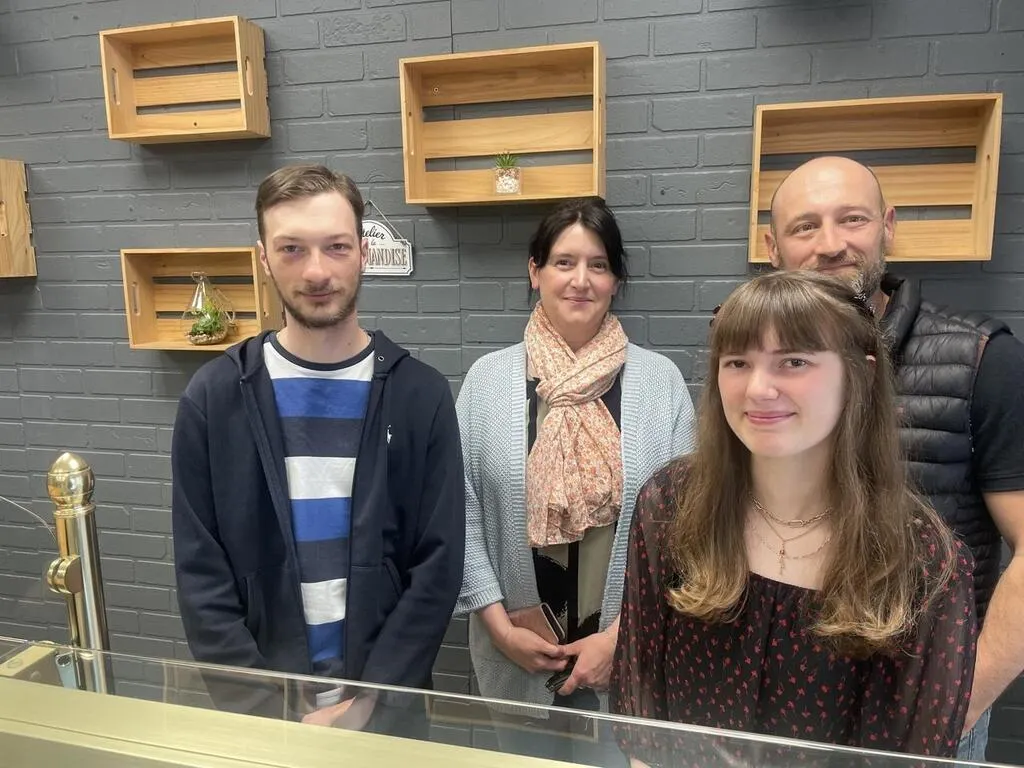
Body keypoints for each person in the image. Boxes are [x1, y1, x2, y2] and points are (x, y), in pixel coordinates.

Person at [610, 270, 977, 766]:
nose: (759, 389)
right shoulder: (669, 504)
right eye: (738, 362)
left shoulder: (926, 562)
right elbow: (642, 711)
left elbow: (911, 755)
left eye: (794, 361)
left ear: (861, 374)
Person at [171, 164, 465, 736]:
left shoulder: (419, 395)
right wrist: (268, 712)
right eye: (292, 249)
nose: (316, 271)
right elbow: (201, 579)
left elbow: (437, 568)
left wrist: (370, 703)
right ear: (264, 258)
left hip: (388, 718)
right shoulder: (213, 399)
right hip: (265, 725)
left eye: (336, 247)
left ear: (362, 252)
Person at [765, 155, 1024, 762]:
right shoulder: (754, 368)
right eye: (805, 226)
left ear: (887, 226)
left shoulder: (982, 359)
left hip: (923, 714)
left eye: (852, 219)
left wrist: (958, 704)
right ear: (773, 248)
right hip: (784, 710)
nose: (831, 244)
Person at [455, 197, 697, 766]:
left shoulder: (660, 383)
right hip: (514, 654)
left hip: (627, 657)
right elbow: (460, 512)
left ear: (616, 280)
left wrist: (619, 639)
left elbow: (687, 530)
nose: (581, 280)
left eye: (598, 264)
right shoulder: (487, 381)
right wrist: (499, 628)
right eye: (563, 262)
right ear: (535, 271)